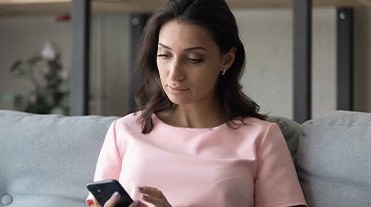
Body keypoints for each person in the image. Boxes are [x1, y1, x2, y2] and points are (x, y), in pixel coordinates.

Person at [86, 0, 307, 206]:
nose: (174, 74)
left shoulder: (261, 138)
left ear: (227, 59)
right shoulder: (124, 131)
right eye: (164, 55)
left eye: (193, 59)